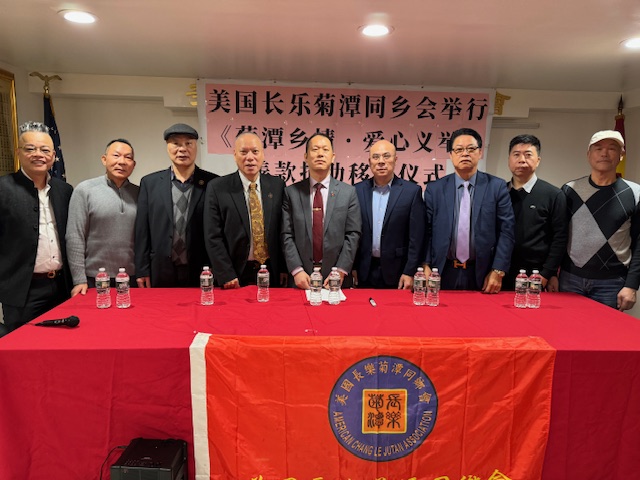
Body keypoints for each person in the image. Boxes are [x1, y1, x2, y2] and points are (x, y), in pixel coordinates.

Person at [0, 121, 73, 334]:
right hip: (22, 290)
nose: (38, 154)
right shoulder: (3, 189)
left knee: (63, 343)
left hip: (62, 286)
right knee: (22, 344)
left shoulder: (65, 190)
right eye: (30, 149)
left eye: (45, 150)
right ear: (19, 152)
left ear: (53, 156)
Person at [423, 127, 514, 292]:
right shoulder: (435, 189)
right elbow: (426, 230)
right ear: (451, 155)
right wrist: (425, 264)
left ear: (480, 153)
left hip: (483, 272)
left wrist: (498, 270)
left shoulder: (496, 187)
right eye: (459, 150)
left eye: (471, 149)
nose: (465, 154)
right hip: (442, 271)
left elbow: (506, 231)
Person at [560, 130, 640, 311]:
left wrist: (632, 285)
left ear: (621, 155)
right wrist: (552, 274)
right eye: (598, 148)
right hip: (569, 279)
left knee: (606, 330)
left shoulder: (635, 194)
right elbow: (558, 236)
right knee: (565, 327)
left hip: (612, 284)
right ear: (588, 154)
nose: (604, 153)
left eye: (612, 148)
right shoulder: (569, 190)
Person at [134, 123, 218, 288]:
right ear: (167, 147)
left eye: (188, 143)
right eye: (176, 144)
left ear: (196, 146)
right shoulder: (150, 183)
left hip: (202, 269)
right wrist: (142, 269)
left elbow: (218, 230)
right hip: (160, 268)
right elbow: (142, 230)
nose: (182, 149)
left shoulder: (212, 183)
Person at [204, 132, 286, 288]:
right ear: (235, 155)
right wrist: (226, 273)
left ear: (263, 155)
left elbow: (283, 231)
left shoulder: (277, 186)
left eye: (255, 151)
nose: (250, 157)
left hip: (271, 270)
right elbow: (213, 236)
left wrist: (283, 268)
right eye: (243, 152)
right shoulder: (217, 188)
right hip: (235, 273)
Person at [281, 133, 361, 289]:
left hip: (337, 278)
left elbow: (353, 234)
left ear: (333, 157)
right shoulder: (291, 193)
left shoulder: (348, 193)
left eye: (325, 149)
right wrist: (297, 270)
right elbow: (286, 234)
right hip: (301, 278)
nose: (320, 154)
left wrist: (340, 270)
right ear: (306, 157)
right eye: (315, 149)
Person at [66, 139, 139, 295]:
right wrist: (79, 279)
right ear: (104, 159)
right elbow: (75, 236)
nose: (122, 162)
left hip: (132, 278)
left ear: (133, 164)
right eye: (116, 155)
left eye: (128, 157)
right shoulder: (85, 190)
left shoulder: (140, 193)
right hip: (95, 278)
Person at [353, 139, 426, 289]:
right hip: (363, 270)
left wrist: (410, 271)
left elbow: (416, 238)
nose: (381, 161)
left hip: (398, 271)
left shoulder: (411, 192)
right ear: (369, 162)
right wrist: (352, 266)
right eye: (376, 157)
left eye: (386, 156)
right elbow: (352, 233)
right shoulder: (357, 191)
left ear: (395, 159)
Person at [504, 134, 567, 291]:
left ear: (538, 160)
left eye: (528, 155)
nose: (522, 160)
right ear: (509, 159)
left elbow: (560, 238)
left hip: (536, 275)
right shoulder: (499, 193)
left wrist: (548, 273)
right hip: (500, 272)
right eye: (516, 154)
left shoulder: (553, 195)